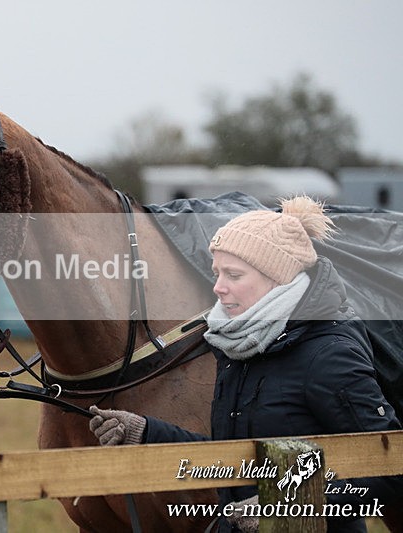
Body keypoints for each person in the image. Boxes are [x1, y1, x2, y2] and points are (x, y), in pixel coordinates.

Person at [89, 196, 402, 532]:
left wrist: (288, 504)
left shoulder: (329, 354)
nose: (218, 288)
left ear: (276, 276)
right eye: (217, 273)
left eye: (233, 275)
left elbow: (392, 472)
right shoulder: (237, 347)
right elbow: (237, 457)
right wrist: (147, 433)